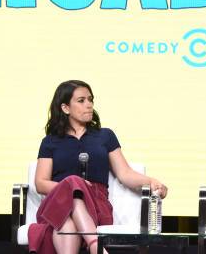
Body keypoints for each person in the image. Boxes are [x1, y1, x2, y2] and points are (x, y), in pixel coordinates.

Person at [28, 80, 168, 254]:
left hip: (95, 203)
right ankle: (96, 246)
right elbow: (41, 183)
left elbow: (125, 173)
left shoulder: (105, 136)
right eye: (81, 101)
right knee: (70, 193)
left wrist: (152, 181)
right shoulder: (50, 141)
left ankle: (94, 246)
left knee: (65, 218)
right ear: (65, 108)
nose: (89, 105)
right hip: (57, 203)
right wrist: (70, 187)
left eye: (90, 100)